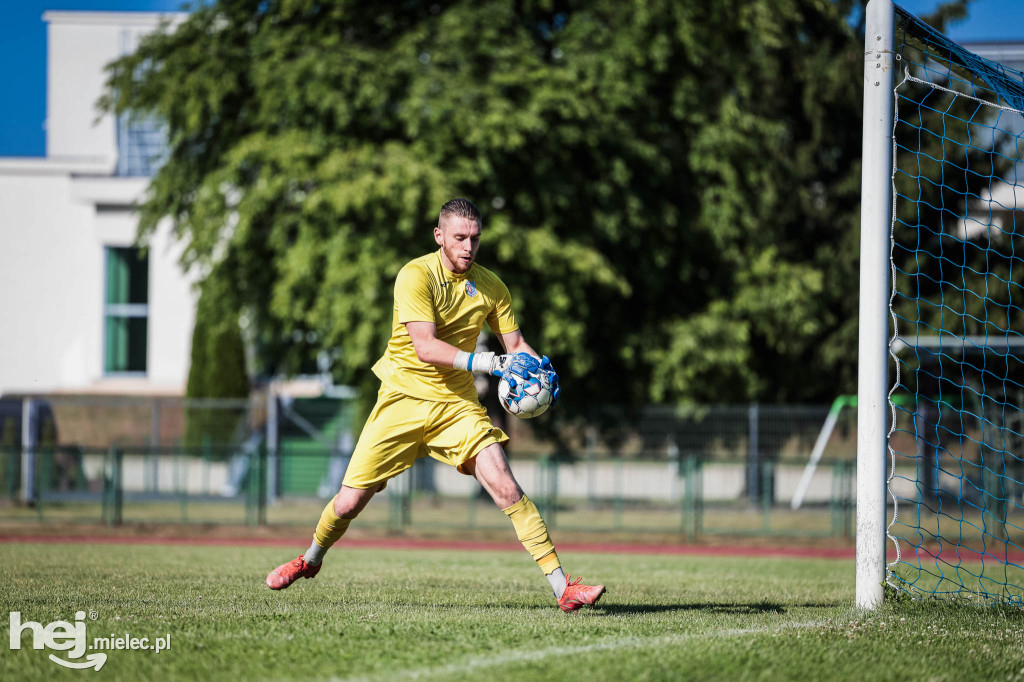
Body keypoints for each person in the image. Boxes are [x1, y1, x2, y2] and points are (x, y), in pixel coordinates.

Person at [265, 198, 605, 612]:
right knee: (350, 502)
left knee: (506, 486)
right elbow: (425, 347)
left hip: (456, 405)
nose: (468, 246)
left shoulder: (492, 286)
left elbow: (515, 346)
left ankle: (563, 589)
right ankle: (310, 559)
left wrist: (539, 373)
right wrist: (491, 363)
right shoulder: (415, 275)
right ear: (439, 236)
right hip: (402, 398)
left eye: (475, 238)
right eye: (459, 237)